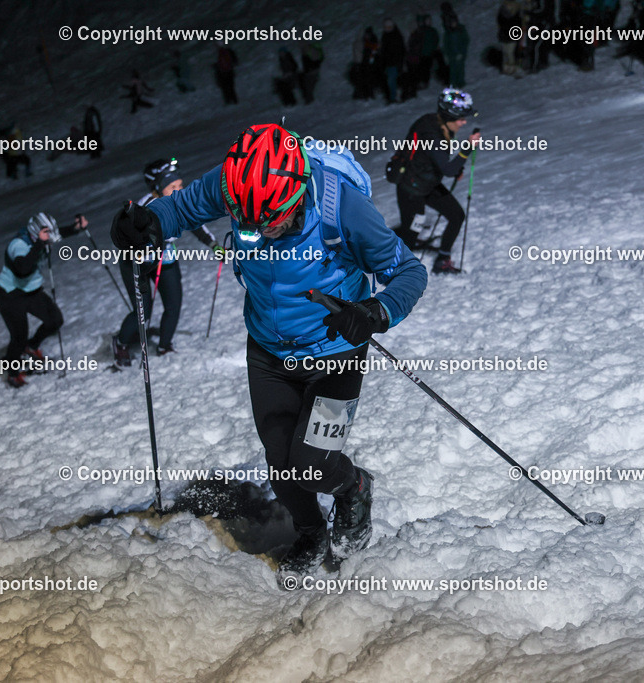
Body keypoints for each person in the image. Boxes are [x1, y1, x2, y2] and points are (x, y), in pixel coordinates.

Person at [111, 123, 427, 577]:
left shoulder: (344, 209)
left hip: (336, 349)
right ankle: (311, 531)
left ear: (297, 191)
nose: (260, 230)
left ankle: (354, 488)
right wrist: (148, 221)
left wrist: (375, 311)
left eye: (271, 220)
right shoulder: (241, 184)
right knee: (281, 463)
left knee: (313, 464)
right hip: (268, 350)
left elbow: (409, 272)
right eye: (249, 220)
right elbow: (180, 207)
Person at [111, 159, 222, 365]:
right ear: (158, 189)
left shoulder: (180, 202)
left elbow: (195, 223)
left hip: (165, 259)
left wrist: (214, 245)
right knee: (143, 308)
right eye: (173, 187)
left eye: (180, 185)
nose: (179, 190)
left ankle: (164, 345)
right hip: (136, 262)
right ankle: (121, 343)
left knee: (174, 303)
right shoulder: (144, 208)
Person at [0, 212, 88, 387]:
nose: (50, 240)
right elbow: (23, 268)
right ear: (35, 233)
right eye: (46, 236)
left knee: (55, 320)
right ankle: (13, 374)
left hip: (31, 291)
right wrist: (39, 244)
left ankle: (32, 346)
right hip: (10, 295)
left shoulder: (41, 237)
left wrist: (76, 228)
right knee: (18, 336)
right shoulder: (18, 245)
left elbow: (58, 234)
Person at [394, 88, 481, 274]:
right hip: (411, 189)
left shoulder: (436, 122)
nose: (464, 122)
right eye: (461, 119)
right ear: (449, 117)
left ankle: (442, 260)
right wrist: (467, 148)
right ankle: (395, 270)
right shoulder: (432, 134)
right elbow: (448, 169)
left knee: (456, 215)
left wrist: (456, 165)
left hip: (428, 183)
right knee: (411, 234)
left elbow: (437, 161)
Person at [381, 18, 406, 103]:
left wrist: (399, 63)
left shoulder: (396, 37)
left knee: (392, 81)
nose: (387, 29)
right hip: (388, 63)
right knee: (390, 81)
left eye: (389, 27)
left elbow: (400, 51)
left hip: (394, 63)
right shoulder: (385, 36)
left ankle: (394, 97)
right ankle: (392, 97)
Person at [442, 13, 470, 85]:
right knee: (453, 70)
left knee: (460, 68)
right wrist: (446, 54)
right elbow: (446, 44)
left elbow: (465, 41)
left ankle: (460, 83)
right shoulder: (448, 33)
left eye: (454, 22)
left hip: (460, 53)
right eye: (451, 22)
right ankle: (453, 83)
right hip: (452, 54)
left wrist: (462, 52)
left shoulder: (461, 30)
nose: (453, 24)